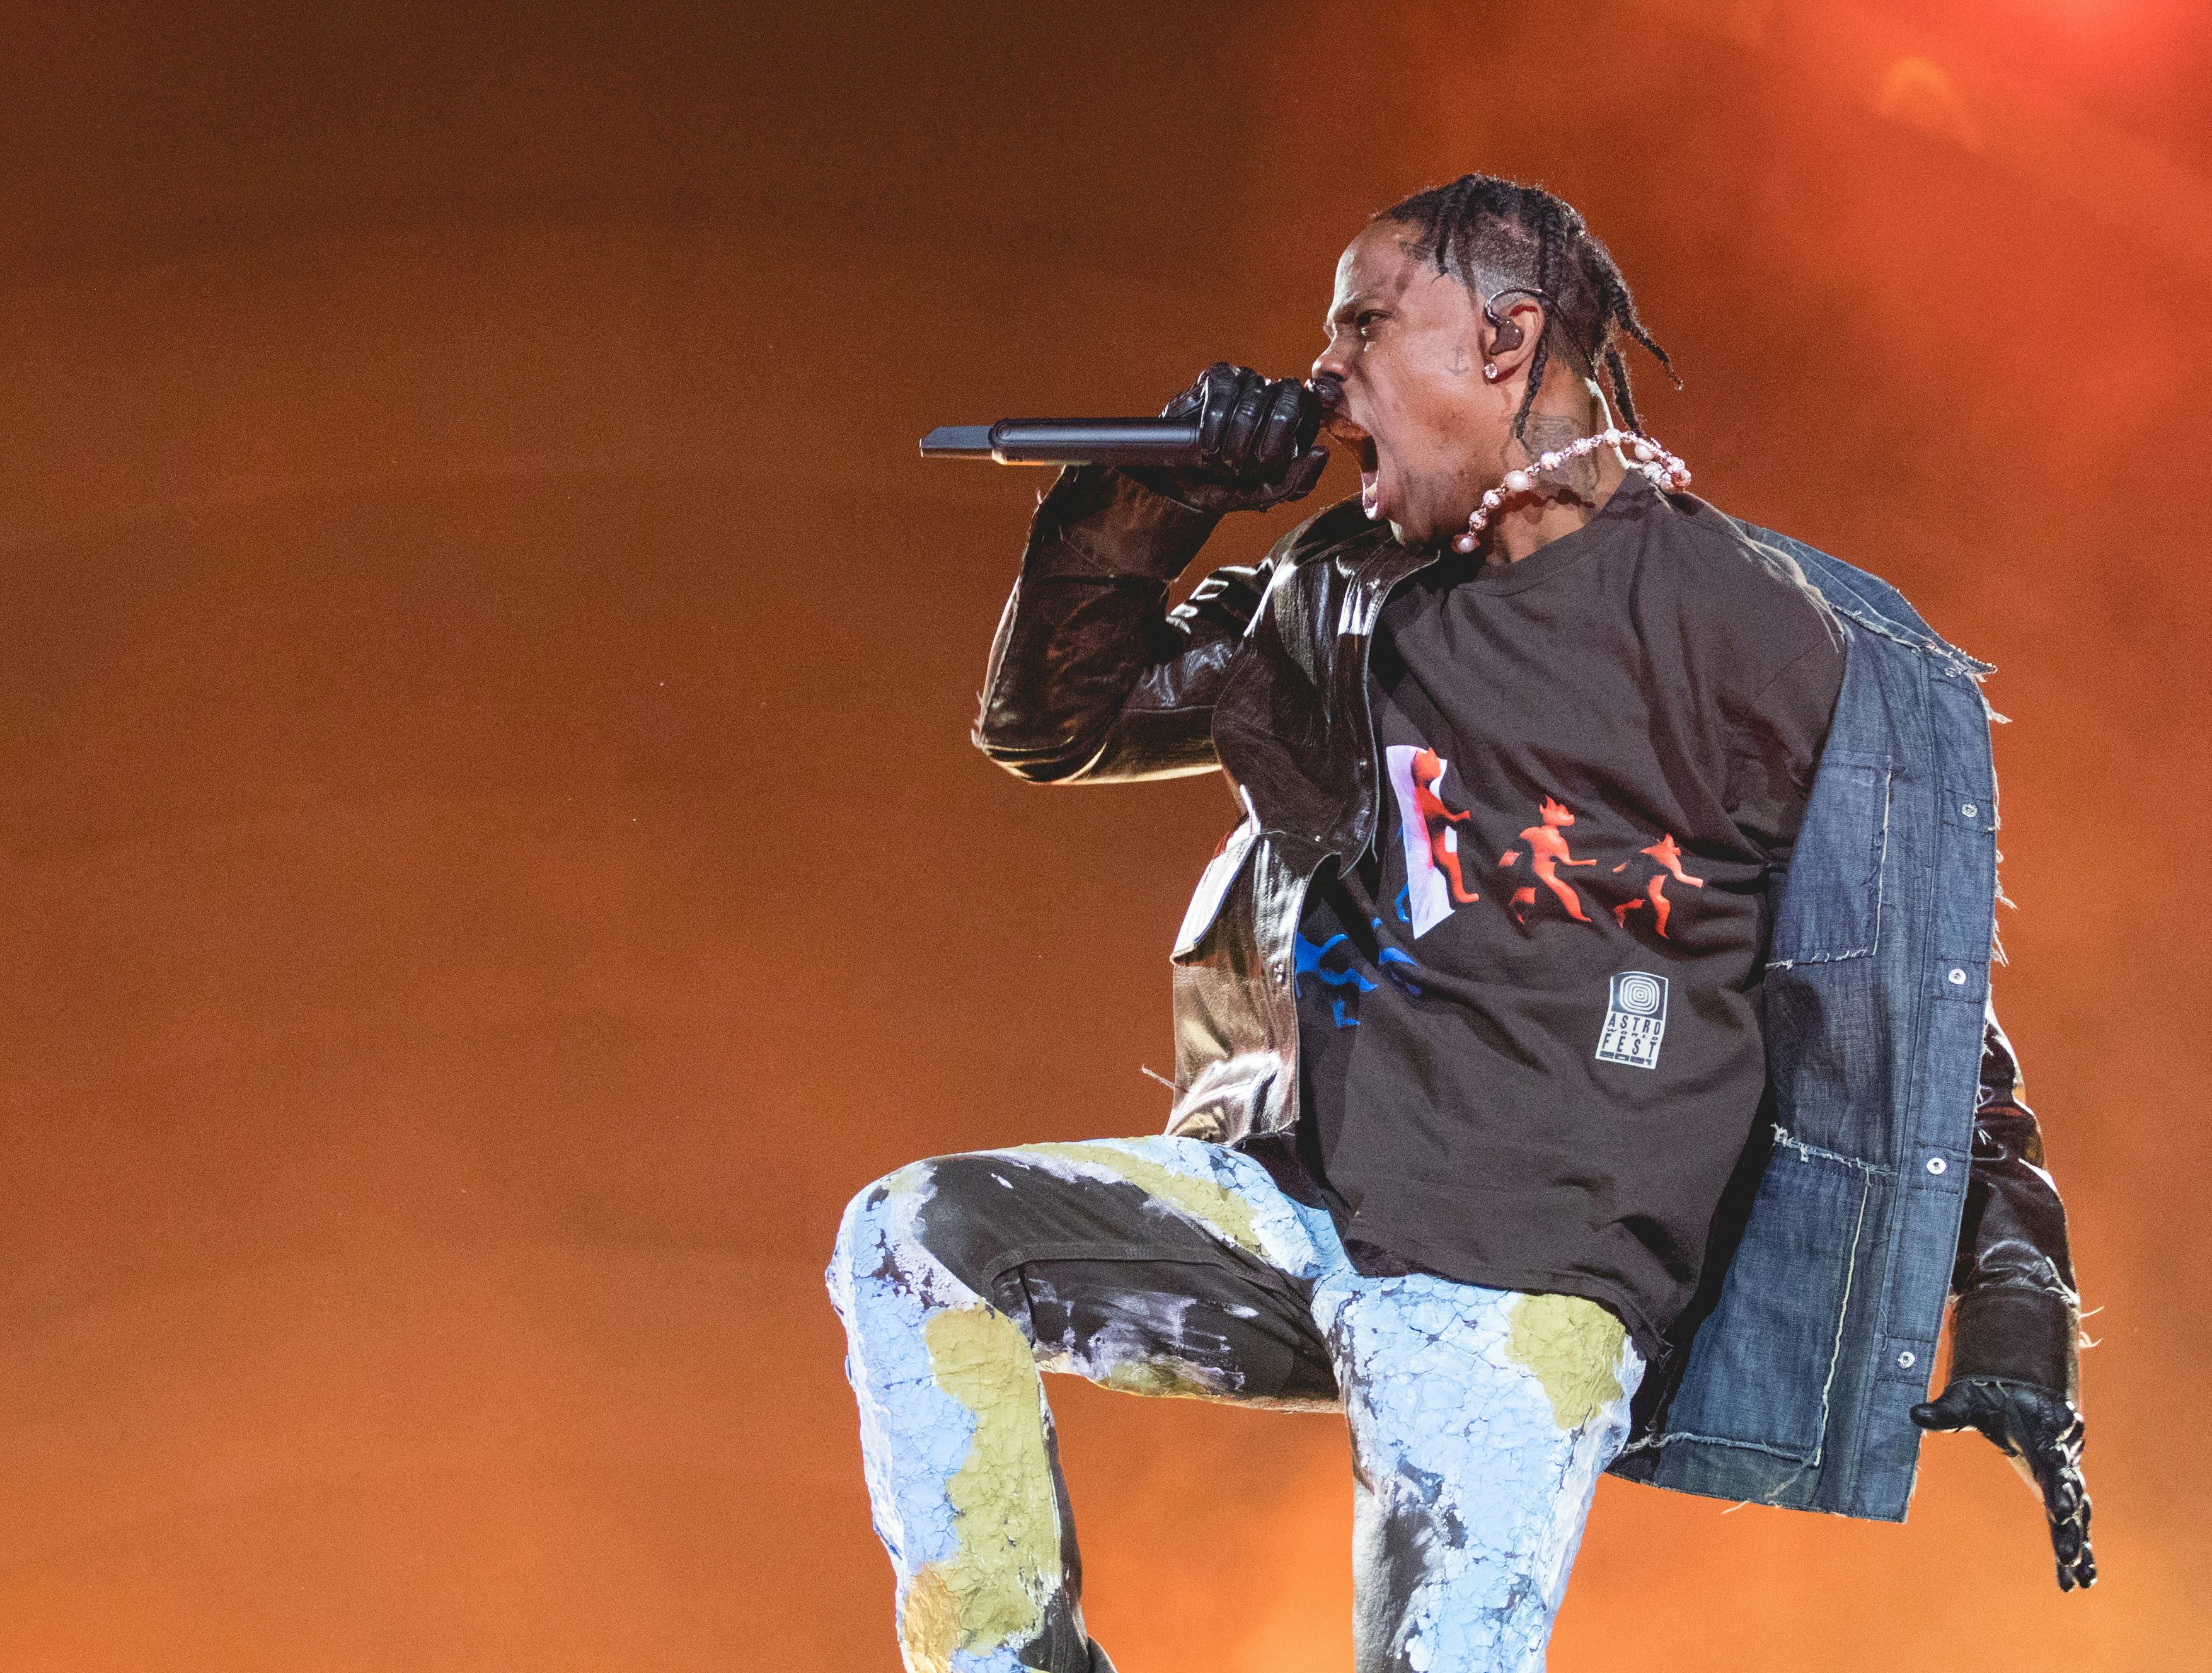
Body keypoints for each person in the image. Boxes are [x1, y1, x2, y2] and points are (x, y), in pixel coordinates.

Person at [826, 174, 2092, 1673]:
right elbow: (1055, 722)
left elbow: (1916, 1022)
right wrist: (1153, 494)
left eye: (1364, 327)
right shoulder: (1339, 591)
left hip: (1525, 1280)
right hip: (1301, 1210)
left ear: (1508, 339)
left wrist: (2020, 1311)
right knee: (916, 1241)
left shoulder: (1755, 632)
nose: (1326, 376)